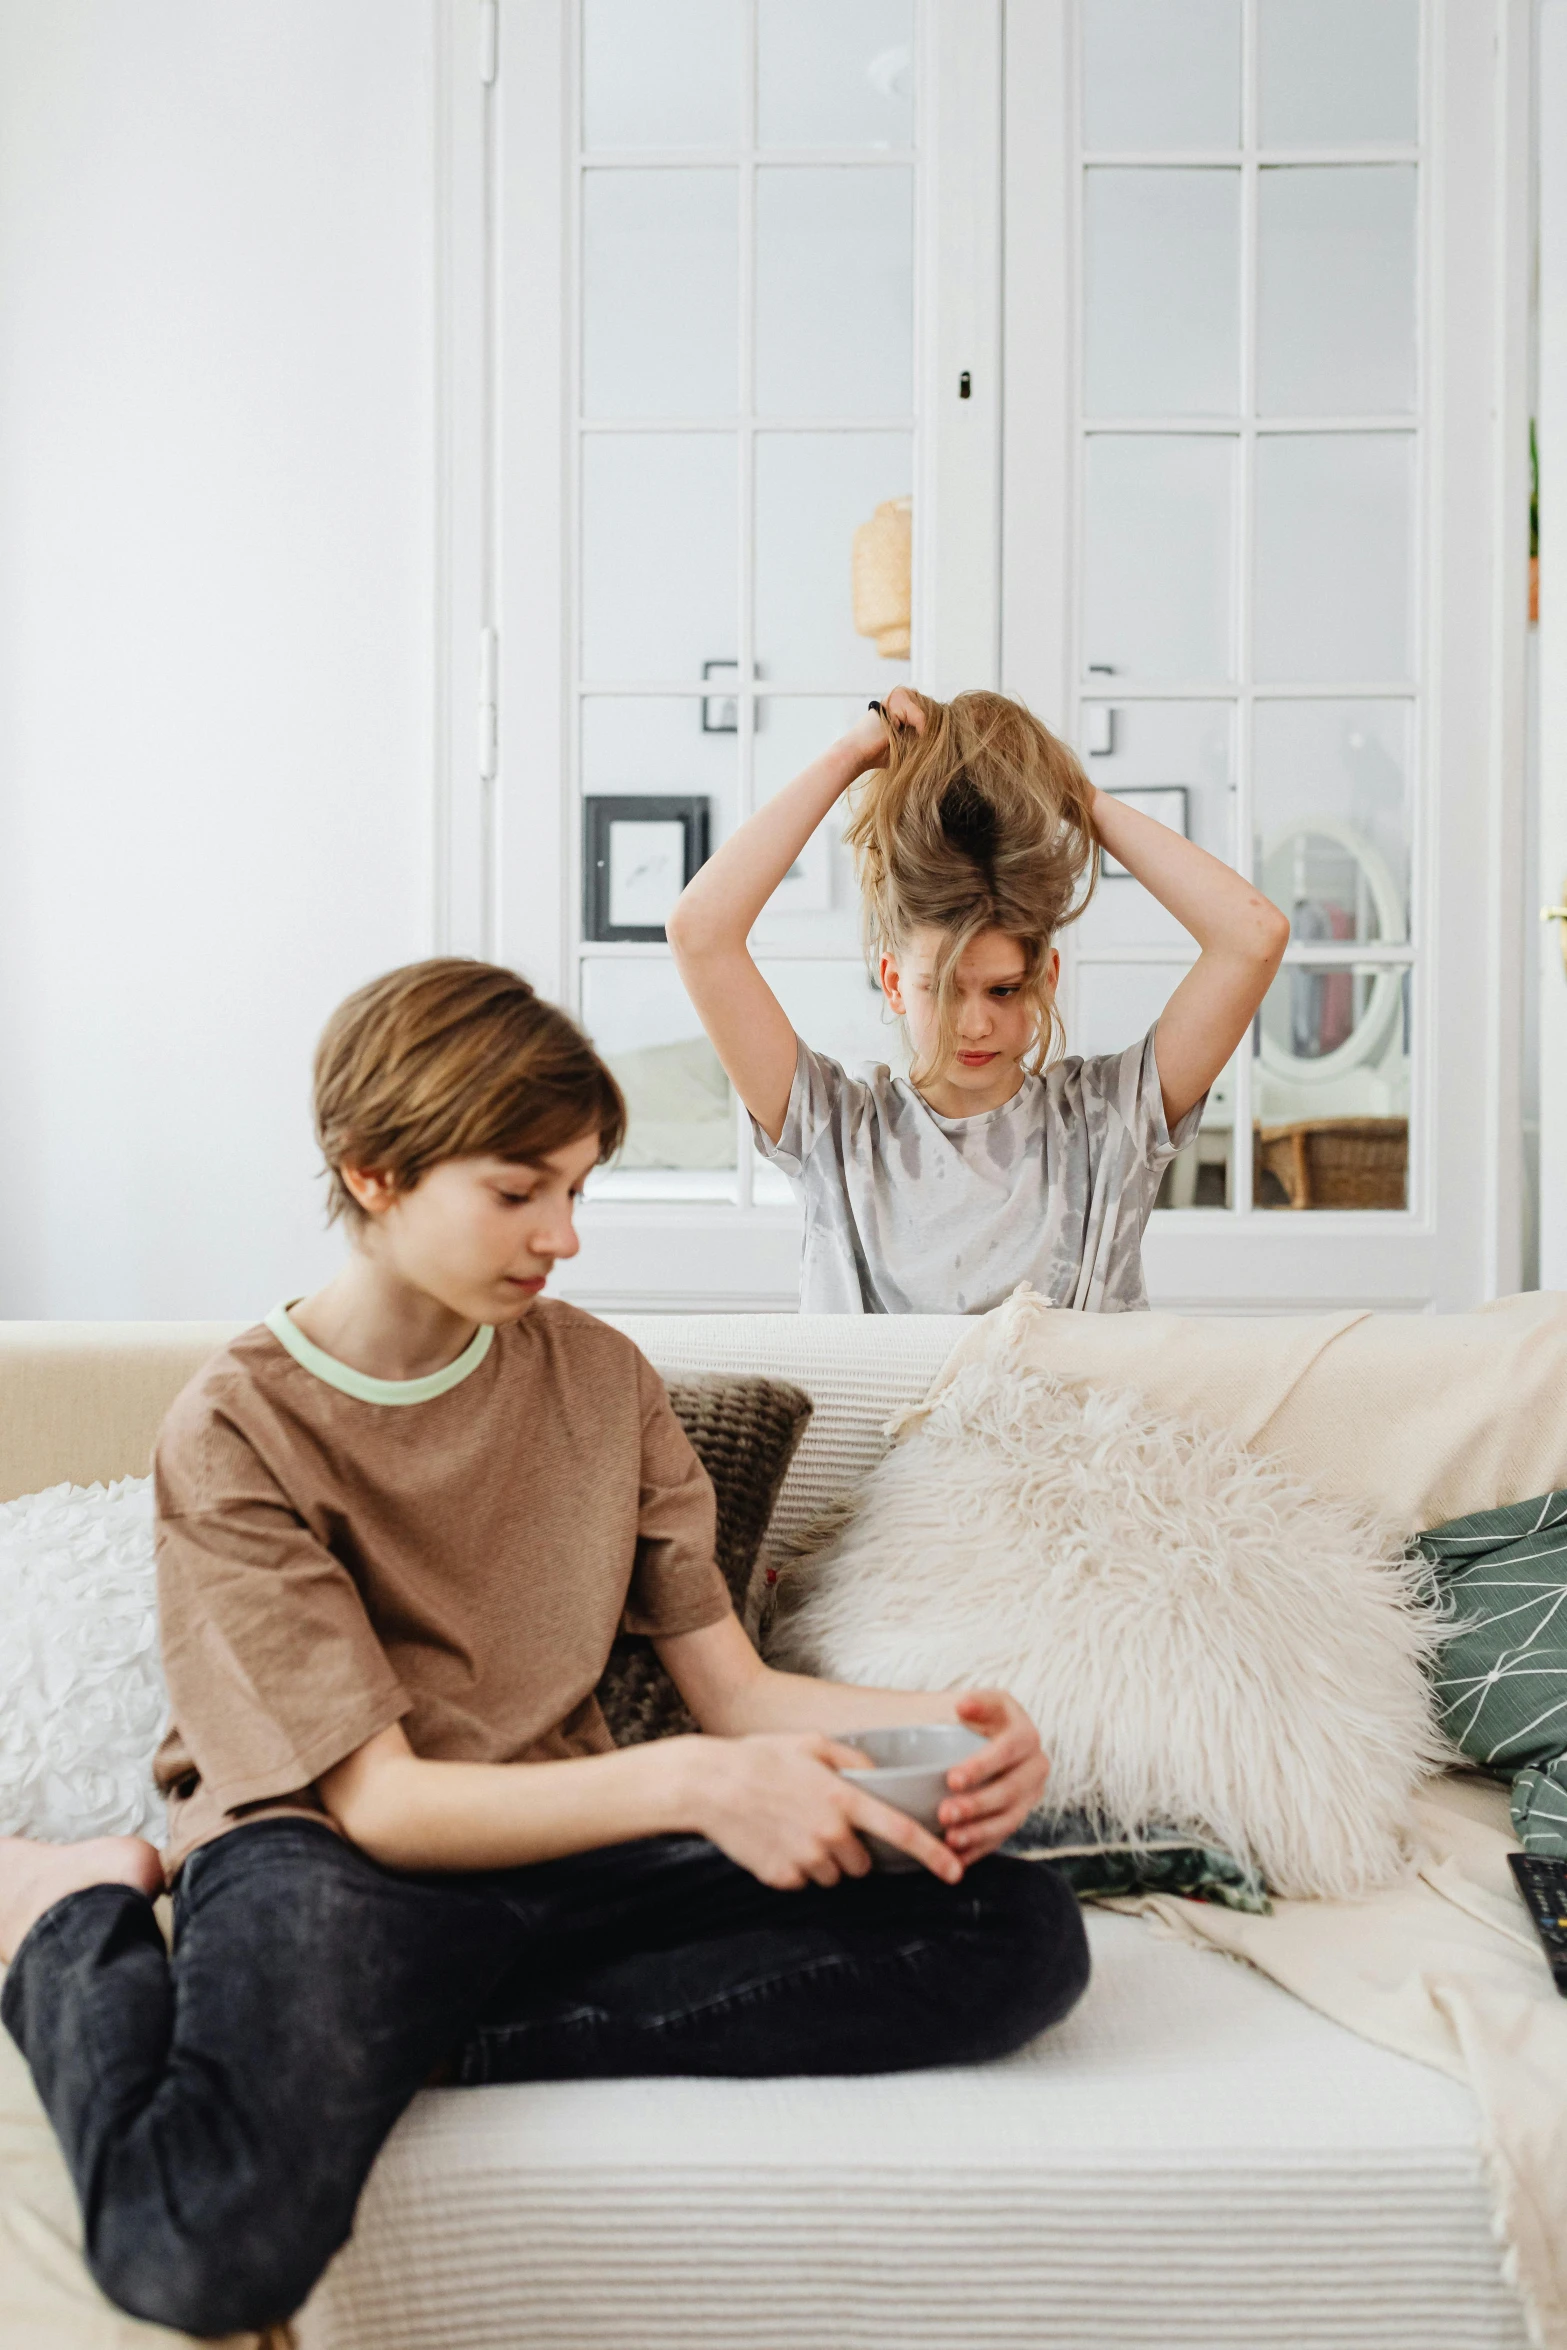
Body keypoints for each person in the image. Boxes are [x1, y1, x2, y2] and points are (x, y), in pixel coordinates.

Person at [0, 958, 1088, 2339]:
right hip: (333, 1861)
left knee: (1010, 1928)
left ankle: (406, 2039)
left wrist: (962, 1721)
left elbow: (732, 1690)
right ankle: (67, 1916)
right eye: (519, 1190)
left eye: (577, 1188)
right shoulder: (235, 1431)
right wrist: (698, 1785)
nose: (562, 1234)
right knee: (198, 2252)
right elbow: (383, 1801)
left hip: (572, 1856)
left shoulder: (601, 1379)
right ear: (376, 1171)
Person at [668, 688, 1290, 1314]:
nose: (975, 1024)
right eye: (941, 989)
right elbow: (700, 933)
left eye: (1004, 989)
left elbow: (1253, 937)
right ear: (892, 982)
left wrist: (1078, 797)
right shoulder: (834, 1130)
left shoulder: (1108, 1123)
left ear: (1046, 976)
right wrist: (851, 756)